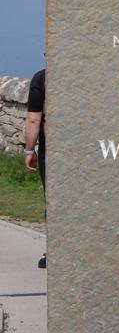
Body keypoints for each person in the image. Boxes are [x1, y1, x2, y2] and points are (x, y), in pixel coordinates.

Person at [24, 67, 46, 269]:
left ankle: (54, 250)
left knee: (53, 199)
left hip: (52, 147)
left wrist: (29, 150)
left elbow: (33, 118)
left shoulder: (41, 77)